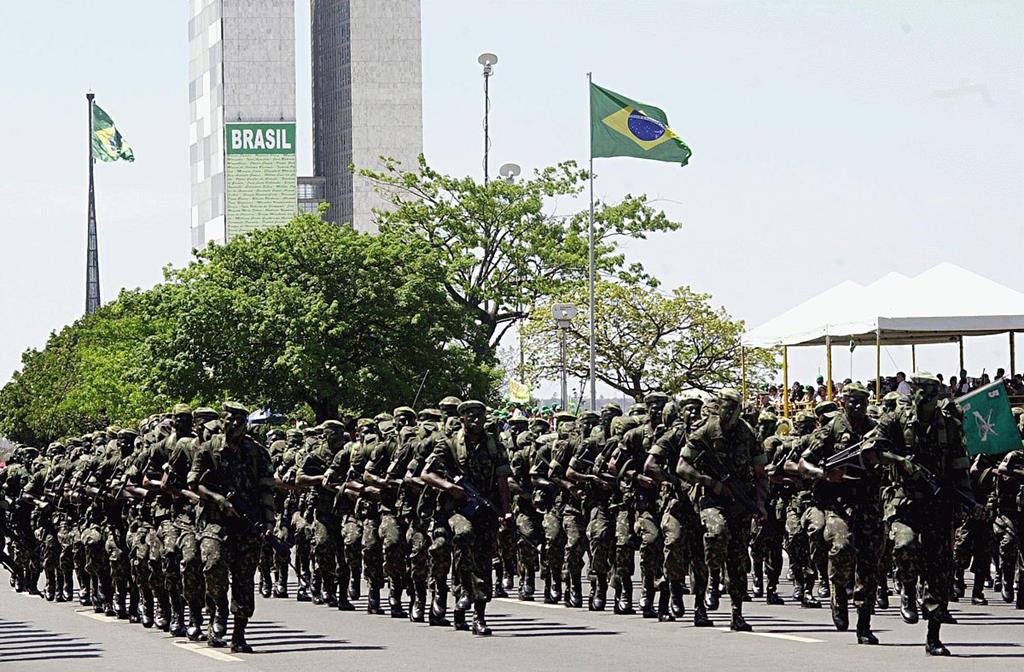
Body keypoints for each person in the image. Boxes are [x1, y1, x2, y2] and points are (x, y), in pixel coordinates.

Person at [878, 373, 981, 656]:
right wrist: (901, 462)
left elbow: (960, 466)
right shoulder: (895, 420)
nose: (925, 399)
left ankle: (933, 637)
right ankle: (907, 588)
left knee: (939, 571)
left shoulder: (948, 424)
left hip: (938, 504)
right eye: (921, 393)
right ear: (914, 393)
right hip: (904, 501)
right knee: (905, 545)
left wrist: (968, 501)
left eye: (931, 394)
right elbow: (874, 450)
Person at [799, 382, 883, 644]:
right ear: (843, 402)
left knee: (869, 563)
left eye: (862, 401)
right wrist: (824, 474)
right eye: (852, 400)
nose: (857, 405)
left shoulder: (875, 430)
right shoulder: (831, 430)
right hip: (838, 502)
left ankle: (864, 623)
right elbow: (803, 462)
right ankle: (838, 592)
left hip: (869, 503)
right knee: (842, 547)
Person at [188, 402, 276, 652]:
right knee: (213, 565)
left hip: (247, 524)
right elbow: (195, 483)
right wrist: (219, 499)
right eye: (229, 419)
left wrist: (269, 521)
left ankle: (239, 635)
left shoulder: (257, 452)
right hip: (215, 521)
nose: (233, 424)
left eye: (239, 420)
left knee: (244, 579)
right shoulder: (208, 448)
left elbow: (266, 488)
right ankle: (218, 609)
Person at [677, 388, 767, 632]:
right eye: (724, 407)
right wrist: (711, 483)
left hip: (740, 501)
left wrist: (759, 503)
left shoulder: (748, 434)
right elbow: (683, 467)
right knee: (717, 533)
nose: (728, 413)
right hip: (710, 499)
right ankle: (709, 587)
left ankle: (737, 613)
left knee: (738, 557)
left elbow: (760, 474)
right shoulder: (705, 430)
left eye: (733, 408)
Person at [421, 400, 513, 636]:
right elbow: (426, 473)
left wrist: (505, 511)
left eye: (479, 415)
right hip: (456, 509)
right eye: (470, 415)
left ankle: (478, 616)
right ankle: (462, 590)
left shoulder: (494, 445)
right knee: (463, 535)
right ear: (461, 418)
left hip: (485, 509)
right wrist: (449, 487)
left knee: (484, 560)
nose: (475, 419)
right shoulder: (449, 444)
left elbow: (503, 481)